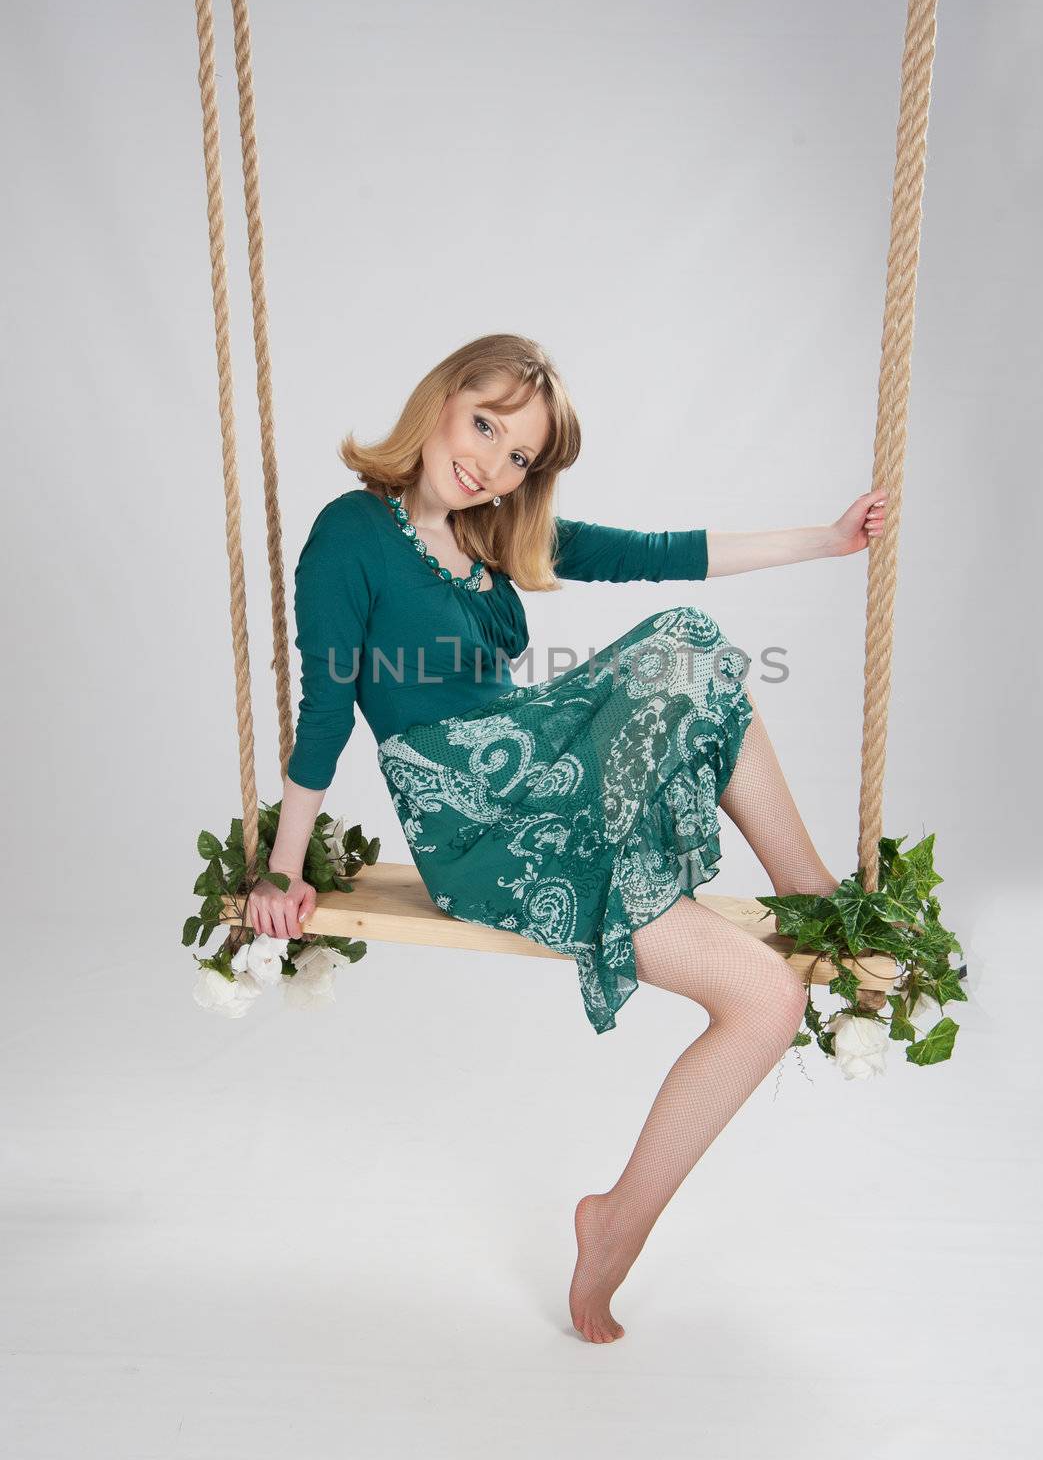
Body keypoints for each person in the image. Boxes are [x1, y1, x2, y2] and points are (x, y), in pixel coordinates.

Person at [248, 332, 887, 1344]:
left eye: (518, 456)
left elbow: (657, 553)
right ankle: (826, 904)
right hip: (474, 816)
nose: (491, 463)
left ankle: (614, 1224)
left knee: (767, 993)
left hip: (547, 784)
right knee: (692, 654)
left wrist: (828, 539)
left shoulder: (497, 529)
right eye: (486, 424)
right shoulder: (348, 536)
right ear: (442, 399)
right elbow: (326, 713)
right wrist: (278, 875)